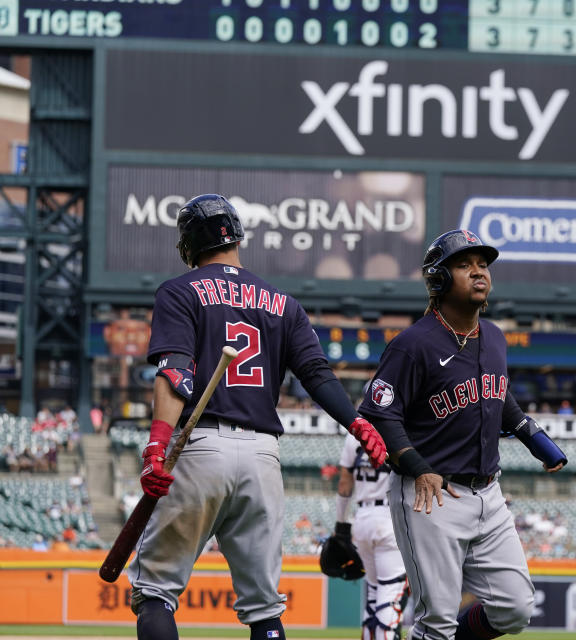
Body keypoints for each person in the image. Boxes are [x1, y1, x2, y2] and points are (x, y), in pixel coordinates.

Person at [129, 195, 386, 640]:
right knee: (265, 610)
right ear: (236, 235)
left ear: (189, 242)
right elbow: (317, 375)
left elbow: (175, 371)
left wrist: (156, 445)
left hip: (200, 445)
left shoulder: (179, 290)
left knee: (155, 594)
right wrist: (358, 423)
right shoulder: (283, 303)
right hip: (263, 457)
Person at [358, 229, 568, 640]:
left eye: (483, 264)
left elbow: (498, 396)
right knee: (435, 621)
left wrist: (535, 439)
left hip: (488, 493)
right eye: (464, 264)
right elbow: (379, 415)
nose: (478, 272)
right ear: (438, 278)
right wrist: (418, 467)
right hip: (430, 495)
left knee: (515, 608)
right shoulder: (411, 344)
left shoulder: (494, 337)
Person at [334, 429, 408, 640]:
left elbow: (344, 483)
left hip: (363, 518)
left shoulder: (353, 435)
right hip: (389, 516)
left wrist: (341, 526)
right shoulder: (398, 427)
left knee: (374, 595)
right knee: (389, 595)